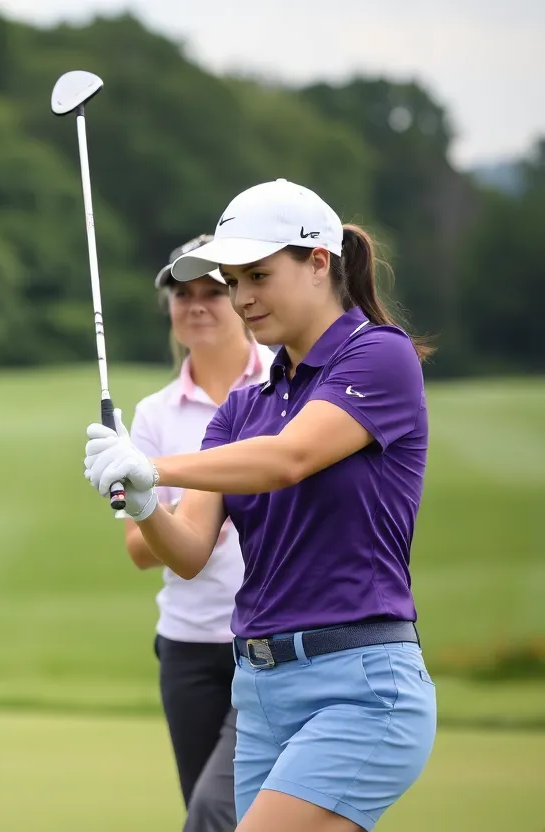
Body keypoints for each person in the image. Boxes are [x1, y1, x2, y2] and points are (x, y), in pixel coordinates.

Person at [83, 178, 437, 832]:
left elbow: (287, 459)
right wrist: (142, 504)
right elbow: (188, 551)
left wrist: (153, 464)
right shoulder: (241, 410)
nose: (241, 298)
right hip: (261, 693)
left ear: (318, 263)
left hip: (359, 687)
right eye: (232, 279)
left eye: (257, 276)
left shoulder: (379, 358)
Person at [122, 233, 274, 832]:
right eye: (183, 293)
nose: (197, 304)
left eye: (214, 290)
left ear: (240, 297)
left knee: (219, 811)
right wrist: (195, 511)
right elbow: (138, 548)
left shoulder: (281, 385)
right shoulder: (155, 414)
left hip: (264, 640)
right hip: (186, 644)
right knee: (207, 809)